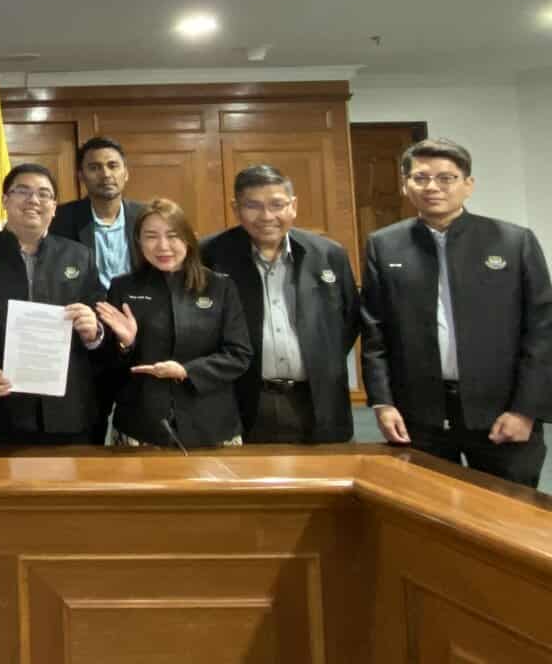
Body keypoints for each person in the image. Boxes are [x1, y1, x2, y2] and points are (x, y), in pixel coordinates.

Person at [361, 138, 552, 488]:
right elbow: (375, 332)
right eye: (420, 178)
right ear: (405, 185)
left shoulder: (514, 241)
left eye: (446, 178)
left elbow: (543, 330)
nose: (432, 187)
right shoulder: (384, 245)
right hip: (419, 414)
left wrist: (526, 409)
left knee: (508, 509)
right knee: (424, 507)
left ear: (468, 184)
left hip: (502, 411)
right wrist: (382, 403)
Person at [201, 165, 360, 443]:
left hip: (317, 401)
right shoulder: (209, 255)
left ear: (293, 205)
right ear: (236, 209)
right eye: (253, 206)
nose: (267, 216)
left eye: (277, 205)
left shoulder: (328, 254)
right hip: (240, 402)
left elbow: (348, 322)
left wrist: (319, 359)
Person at [0, 164, 110, 445]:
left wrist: (94, 332)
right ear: (5, 200)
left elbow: (101, 319)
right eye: (23, 191)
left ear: (54, 207)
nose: (33, 200)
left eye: (44, 194)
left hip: (69, 410)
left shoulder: (80, 256)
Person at [96, 198, 252, 449]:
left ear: (189, 239)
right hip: (142, 425)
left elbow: (239, 354)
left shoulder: (220, 287)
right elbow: (107, 367)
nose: (163, 246)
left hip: (210, 424)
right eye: (151, 236)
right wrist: (126, 344)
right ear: (138, 242)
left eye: (172, 235)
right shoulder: (123, 287)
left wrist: (186, 371)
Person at [48, 136, 145, 444]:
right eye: (95, 167)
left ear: (126, 172)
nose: (105, 174)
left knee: (140, 427)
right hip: (85, 339)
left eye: (113, 165)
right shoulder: (60, 220)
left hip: (139, 335)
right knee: (88, 428)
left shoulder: (146, 218)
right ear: (81, 175)